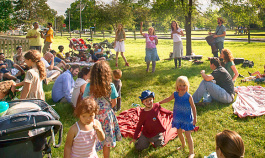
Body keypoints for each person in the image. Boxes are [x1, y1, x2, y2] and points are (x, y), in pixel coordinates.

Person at [83, 61, 122, 158]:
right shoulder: (111, 86)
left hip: (93, 116)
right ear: (107, 73)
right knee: (107, 141)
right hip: (107, 116)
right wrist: (107, 109)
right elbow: (114, 102)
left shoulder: (89, 86)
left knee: (92, 138)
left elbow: (85, 101)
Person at [159, 76, 197, 158]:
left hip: (187, 118)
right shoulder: (175, 94)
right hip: (178, 117)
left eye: (184, 85)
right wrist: (159, 102)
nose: (182, 87)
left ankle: (191, 152)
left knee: (188, 134)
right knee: (179, 132)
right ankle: (183, 145)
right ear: (177, 86)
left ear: (187, 86)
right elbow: (168, 99)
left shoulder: (188, 96)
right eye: (180, 85)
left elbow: (193, 107)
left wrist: (195, 118)